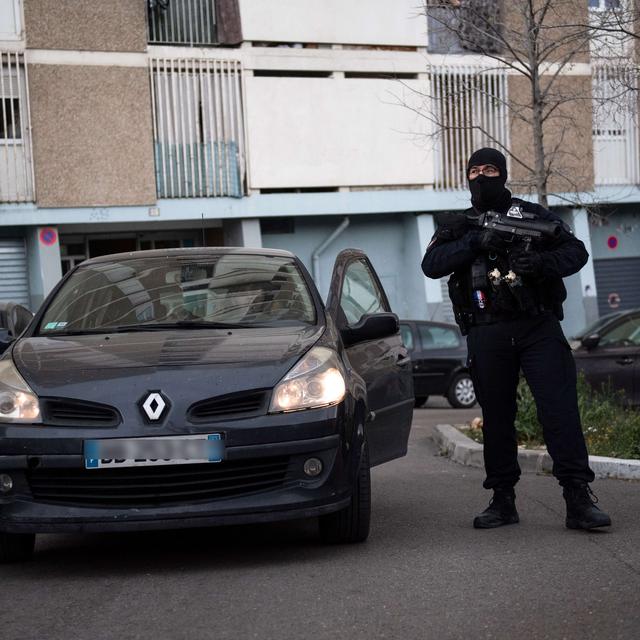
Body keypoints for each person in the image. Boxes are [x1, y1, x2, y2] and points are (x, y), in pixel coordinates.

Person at [421, 147, 611, 531]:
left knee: (559, 412)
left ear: (503, 174)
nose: (482, 177)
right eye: (474, 170)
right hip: (487, 331)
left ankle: (577, 499)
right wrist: (475, 242)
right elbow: (432, 265)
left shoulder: (531, 216)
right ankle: (502, 500)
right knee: (497, 418)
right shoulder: (458, 226)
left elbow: (575, 251)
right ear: (467, 177)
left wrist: (540, 264)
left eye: (490, 169)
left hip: (537, 326)